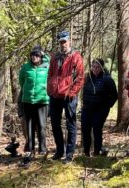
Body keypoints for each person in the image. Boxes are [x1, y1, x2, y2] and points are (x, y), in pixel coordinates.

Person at [47, 30, 85, 163]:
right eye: (61, 42)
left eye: (65, 41)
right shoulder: (55, 57)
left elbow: (80, 77)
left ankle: (69, 153)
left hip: (69, 96)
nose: (63, 44)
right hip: (55, 96)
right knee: (55, 124)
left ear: (69, 41)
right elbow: (50, 74)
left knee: (71, 124)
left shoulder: (76, 56)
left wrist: (72, 92)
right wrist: (50, 89)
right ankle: (59, 151)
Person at [19, 45, 50, 165]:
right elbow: (22, 81)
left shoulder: (47, 67)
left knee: (42, 126)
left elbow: (50, 79)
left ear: (41, 56)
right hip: (28, 100)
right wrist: (28, 91)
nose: (34, 57)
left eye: (37, 55)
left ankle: (42, 149)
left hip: (42, 100)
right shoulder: (26, 67)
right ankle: (31, 148)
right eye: (32, 55)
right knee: (30, 126)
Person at [81, 58, 118, 157]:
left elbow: (115, 95)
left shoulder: (107, 79)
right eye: (93, 67)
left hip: (100, 110)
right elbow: (84, 92)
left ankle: (97, 151)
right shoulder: (88, 77)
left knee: (97, 129)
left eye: (97, 67)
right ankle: (86, 152)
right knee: (85, 129)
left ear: (102, 68)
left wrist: (107, 106)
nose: (95, 69)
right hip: (87, 108)